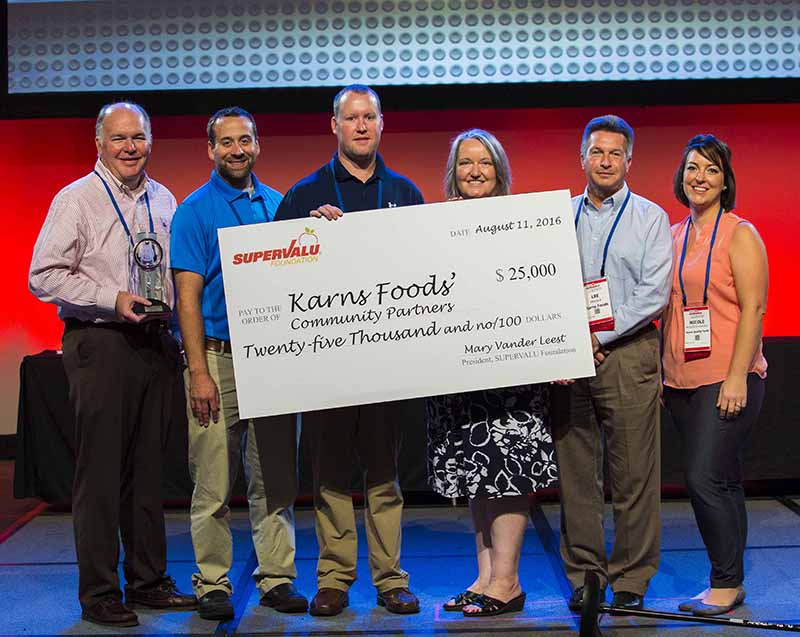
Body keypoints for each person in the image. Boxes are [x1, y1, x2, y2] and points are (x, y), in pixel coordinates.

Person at [28, 102, 195, 627]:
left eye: (139, 138)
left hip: (153, 343)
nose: (130, 147)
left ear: (151, 141)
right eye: (119, 138)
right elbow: (43, 275)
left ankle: (147, 582)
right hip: (99, 344)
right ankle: (99, 591)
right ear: (98, 144)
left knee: (148, 473)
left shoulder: (165, 199)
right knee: (100, 474)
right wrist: (110, 296)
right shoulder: (76, 199)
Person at [274, 84, 424, 617]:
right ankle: (334, 579)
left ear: (382, 124)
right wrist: (310, 242)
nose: (360, 127)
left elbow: (424, 272)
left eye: (369, 117)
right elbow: (277, 275)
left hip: (386, 365)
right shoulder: (303, 195)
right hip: (326, 368)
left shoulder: (405, 193)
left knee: (385, 476)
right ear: (333, 126)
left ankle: (390, 579)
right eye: (350, 118)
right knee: (331, 476)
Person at [170, 107, 306, 620]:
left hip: (272, 362)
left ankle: (277, 577)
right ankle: (212, 583)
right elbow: (187, 298)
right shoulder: (194, 211)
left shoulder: (278, 204)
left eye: (244, 140)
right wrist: (198, 371)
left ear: (257, 144)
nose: (236, 150)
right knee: (212, 481)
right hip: (218, 361)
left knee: (275, 479)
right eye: (225, 143)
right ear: (211, 150)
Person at [426, 129, 557, 618]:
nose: (475, 171)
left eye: (484, 163)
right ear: (453, 172)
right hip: (460, 381)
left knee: (505, 474)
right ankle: (484, 579)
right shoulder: (434, 226)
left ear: (500, 171)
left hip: (512, 381)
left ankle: (507, 581)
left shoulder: (524, 223)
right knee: (475, 475)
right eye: (465, 163)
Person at [551, 114, 673, 611]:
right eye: (596, 152)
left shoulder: (650, 217)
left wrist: (596, 335)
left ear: (629, 160)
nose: (605, 161)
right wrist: (571, 340)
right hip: (569, 359)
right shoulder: (559, 216)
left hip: (627, 355)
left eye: (615, 153)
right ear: (582, 158)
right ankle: (587, 576)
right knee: (578, 475)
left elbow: (653, 294)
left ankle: (630, 580)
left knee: (634, 475)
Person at [662, 135, 768, 616]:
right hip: (680, 381)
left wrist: (738, 376)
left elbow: (755, 309)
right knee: (723, 481)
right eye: (691, 168)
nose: (698, 177)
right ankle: (732, 578)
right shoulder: (674, 233)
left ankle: (724, 583)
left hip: (726, 378)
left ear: (726, 180)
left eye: (709, 169)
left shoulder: (740, 233)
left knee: (704, 479)